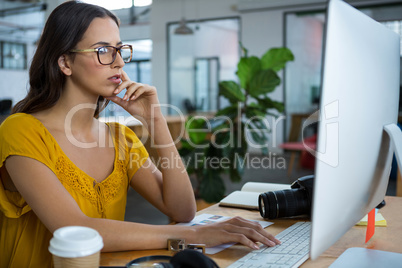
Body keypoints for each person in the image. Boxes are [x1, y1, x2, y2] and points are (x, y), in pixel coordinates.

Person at [0, 1, 280, 267]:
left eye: (120, 49)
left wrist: (154, 119)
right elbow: (75, 229)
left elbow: (182, 211)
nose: (119, 62)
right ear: (65, 63)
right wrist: (192, 236)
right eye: (103, 50)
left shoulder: (120, 137)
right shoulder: (20, 131)